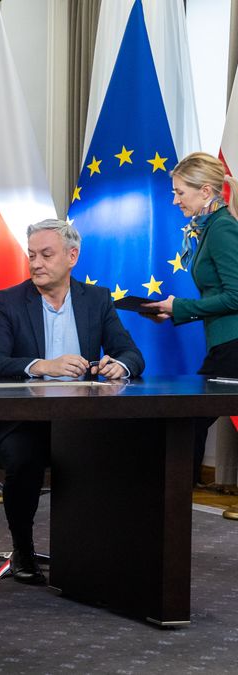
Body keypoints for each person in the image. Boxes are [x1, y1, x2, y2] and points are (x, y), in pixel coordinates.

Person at [0, 218, 144, 585]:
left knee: (121, 450)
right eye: (31, 255)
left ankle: (97, 550)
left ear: (72, 256)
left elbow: (131, 353)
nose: (36, 263)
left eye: (46, 255)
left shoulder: (96, 300)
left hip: (79, 421)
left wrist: (118, 365)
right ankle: (22, 549)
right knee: (25, 459)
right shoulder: (8, 301)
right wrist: (42, 366)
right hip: (19, 422)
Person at [144, 152, 238, 487]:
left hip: (232, 346)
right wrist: (172, 309)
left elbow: (237, 295)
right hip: (224, 344)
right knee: (190, 420)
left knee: (189, 420)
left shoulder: (223, 228)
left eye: (180, 192)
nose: (174, 200)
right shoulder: (211, 227)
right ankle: (175, 497)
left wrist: (180, 308)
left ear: (207, 191)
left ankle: (173, 498)